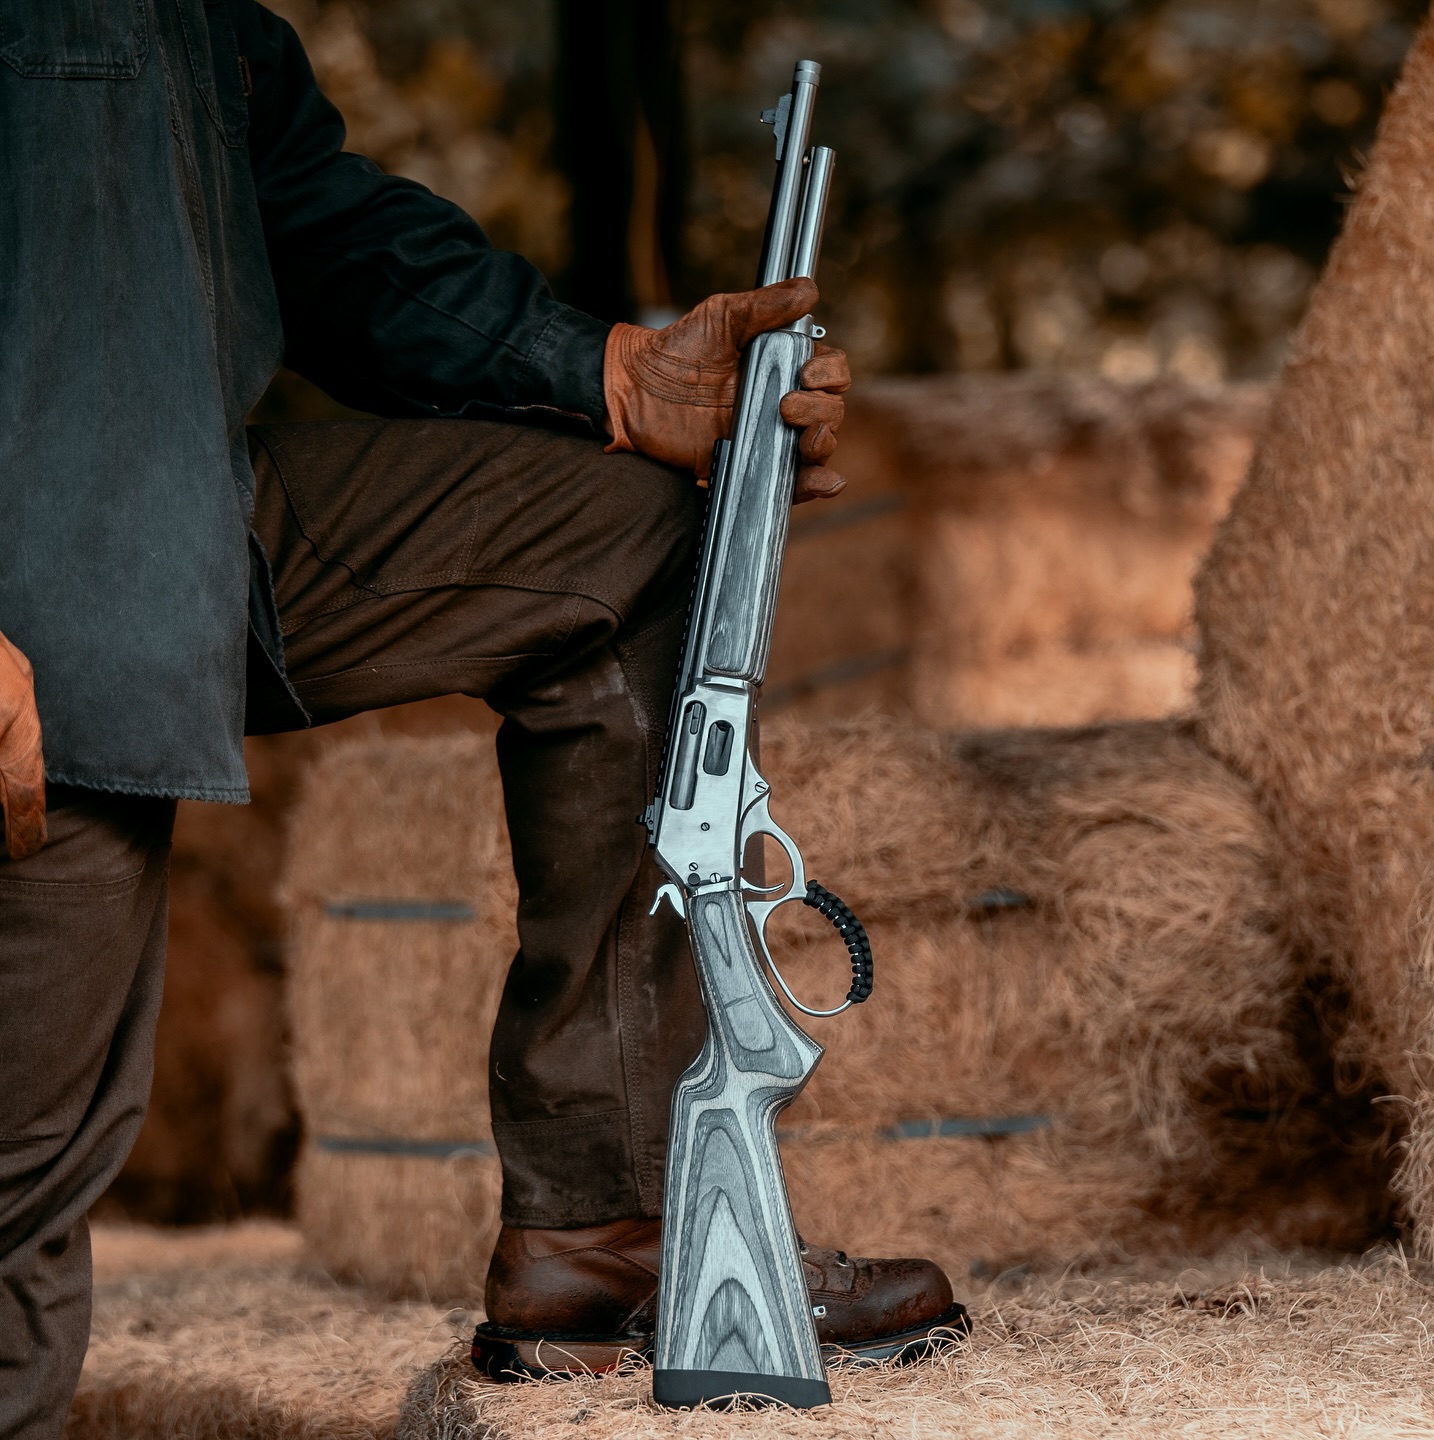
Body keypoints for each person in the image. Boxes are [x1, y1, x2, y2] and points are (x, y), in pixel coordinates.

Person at [0, 3, 960, 1433]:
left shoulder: (202, 22)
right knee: (20, 1197)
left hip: (180, 522)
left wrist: (616, 376)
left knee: (619, 539)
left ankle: (608, 1228)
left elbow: (329, 234)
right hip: (33, 571)